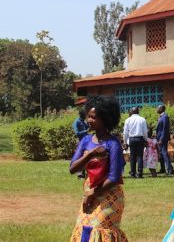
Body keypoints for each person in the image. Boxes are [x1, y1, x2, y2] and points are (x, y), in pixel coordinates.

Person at [69, 95, 128, 242]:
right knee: (84, 228)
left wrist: (92, 195)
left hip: (110, 195)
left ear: (105, 119)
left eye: (94, 117)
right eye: (88, 116)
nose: (89, 120)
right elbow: (72, 168)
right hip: (90, 190)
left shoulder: (113, 144)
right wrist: (90, 155)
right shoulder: (86, 140)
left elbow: (114, 177)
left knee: (99, 229)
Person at [123, 106, 148, 178]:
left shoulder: (127, 120)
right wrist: (146, 140)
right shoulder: (142, 119)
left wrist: (125, 142)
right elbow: (145, 131)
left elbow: (125, 133)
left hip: (132, 139)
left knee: (132, 156)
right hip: (140, 139)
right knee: (140, 156)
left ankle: (132, 173)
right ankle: (140, 173)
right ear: (138, 111)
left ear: (132, 112)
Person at [156, 105, 174, 175]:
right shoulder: (160, 117)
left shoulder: (165, 117)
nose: (156, 109)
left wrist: (161, 139)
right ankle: (162, 168)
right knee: (161, 153)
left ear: (161, 109)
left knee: (164, 153)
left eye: (158, 108)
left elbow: (165, 129)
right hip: (159, 138)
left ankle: (170, 170)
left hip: (162, 138)